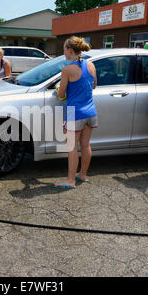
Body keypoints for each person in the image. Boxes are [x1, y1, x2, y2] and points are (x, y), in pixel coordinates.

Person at [53, 36, 98, 189]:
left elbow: (61, 94)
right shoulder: (91, 65)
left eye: (64, 49)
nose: (63, 51)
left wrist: (59, 89)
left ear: (70, 50)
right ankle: (82, 175)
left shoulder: (67, 70)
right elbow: (93, 86)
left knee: (72, 147)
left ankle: (70, 181)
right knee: (85, 145)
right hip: (90, 111)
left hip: (74, 112)